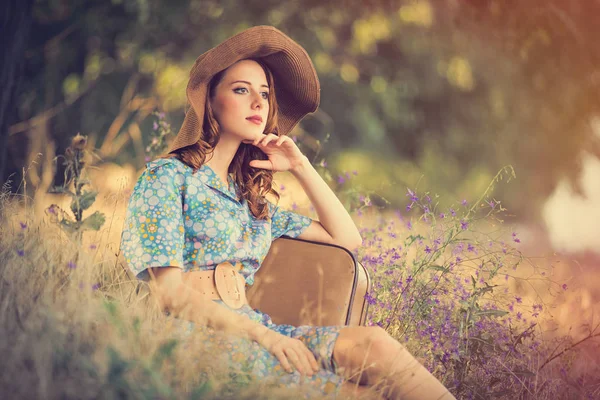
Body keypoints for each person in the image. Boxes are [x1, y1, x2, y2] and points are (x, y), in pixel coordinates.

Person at [120, 26, 456, 399]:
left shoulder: (250, 201)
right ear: (210, 101)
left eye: (264, 93)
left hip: (253, 327)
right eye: (241, 89)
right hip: (199, 338)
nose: (258, 103)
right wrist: (262, 336)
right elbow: (168, 294)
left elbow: (347, 240)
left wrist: (300, 165)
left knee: (374, 344)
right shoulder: (167, 178)